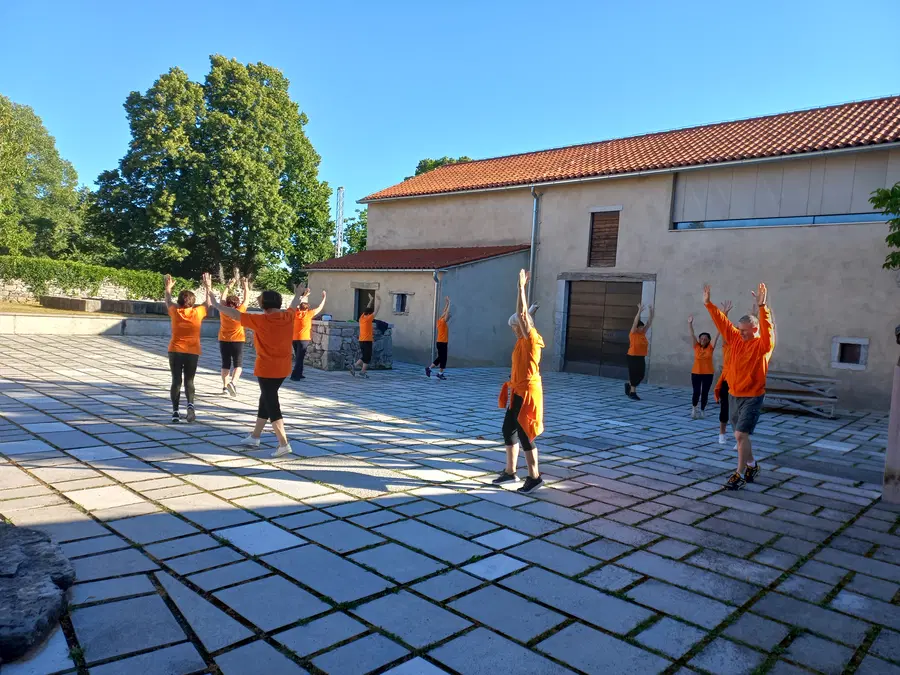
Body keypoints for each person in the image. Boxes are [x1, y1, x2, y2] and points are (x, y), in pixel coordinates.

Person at [206, 273, 306, 458]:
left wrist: (217, 304)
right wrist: (298, 294)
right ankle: (255, 436)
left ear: (264, 304)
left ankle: (283, 443)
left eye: (259, 300)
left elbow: (235, 314)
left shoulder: (260, 320)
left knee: (272, 403)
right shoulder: (287, 317)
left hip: (267, 369)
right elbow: (293, 306)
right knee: (265, 399)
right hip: (283, 368)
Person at [704, 283, 775, 490]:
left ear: (755, 329)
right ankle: (752, 465)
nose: (741, 333)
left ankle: (739, 474)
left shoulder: (762, 345)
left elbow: (768, 330)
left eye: (745, 331)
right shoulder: (734, 338)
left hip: (752, 396)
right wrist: (709, 304)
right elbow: (722, 322)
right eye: (739, 330)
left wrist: (762, 307)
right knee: (741, 436)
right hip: (734, 394)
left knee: (740, 435)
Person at [492, 270, 545, 494]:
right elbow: (523, 314)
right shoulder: (521, 341)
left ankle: (535, 477)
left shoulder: (532, 341)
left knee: (525, 435)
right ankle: (510, 471)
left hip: (528, 394)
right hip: (516, 392)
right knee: (508, 430)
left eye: (515, 327)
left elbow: (523, 315)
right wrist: (521, 295)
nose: (514, 330)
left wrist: (521, 288)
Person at [164, 274, 207, 424]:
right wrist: (208, 286)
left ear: (180, 302)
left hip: (175, 350)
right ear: (193, 303)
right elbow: (209, 303)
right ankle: (190, 405)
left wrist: (168, 288)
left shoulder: (175, 312)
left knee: (176, 380)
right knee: (189, 380)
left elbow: (168, 301)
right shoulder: (198, 312)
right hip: (192, 351)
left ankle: (175, 412)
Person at [217, 275, 250, 397]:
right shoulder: (240, 311)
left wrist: (228, 286)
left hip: (223, 340)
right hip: (238, 340)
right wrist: (245, 286)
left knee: (225, 364)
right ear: (237, 303)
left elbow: (221, 298)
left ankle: (225, 387)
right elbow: (247, 299)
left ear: (227, 303)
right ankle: (233, 383)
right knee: (238, 364)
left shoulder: (223, 310)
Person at [687, 314, 719, 419]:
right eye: (701, 338)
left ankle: (702, 410)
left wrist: (722, 319)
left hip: (708, 373)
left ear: (709, 340)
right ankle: (694, 409)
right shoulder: (696, 346)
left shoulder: (710, 347)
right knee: (696, 391)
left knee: (705, 392)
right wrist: (690, 324)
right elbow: (692, 335)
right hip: (696, 372)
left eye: (705, 338)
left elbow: (718, 334)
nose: (703, 339)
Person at [291, 288, 326, 381]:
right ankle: (294, 376)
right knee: (299, 358)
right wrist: (324, 298)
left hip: (294, 339)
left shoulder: (296, 313)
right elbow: (320, 307)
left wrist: (305, 296)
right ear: (307, 308)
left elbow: (297, 304)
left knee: (299, 357)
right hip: (303, 339)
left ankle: (300, 373)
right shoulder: (309, 314)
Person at [713, 300, 734, 444]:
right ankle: (722, 434)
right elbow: (723, 328)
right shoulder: (727, 346)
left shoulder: (745, 346)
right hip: (727, 380)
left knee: (738, 410)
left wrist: (755, 314)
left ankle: (739, 437)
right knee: (725, 407)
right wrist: (724, 314)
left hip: (739, 380)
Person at [626, 303, 654, 400]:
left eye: (642, 327)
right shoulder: (633, 333)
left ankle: (629, 384)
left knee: (641, 375)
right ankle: (632, 393)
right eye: (640, 327)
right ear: (637, 328)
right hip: (632, 356)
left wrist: (651, 311)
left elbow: (649, 322)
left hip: (641, 356)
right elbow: (635, 322)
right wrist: (639, 311)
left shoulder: (642, 333)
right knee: (633, 374)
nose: (642, 328)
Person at [350, 294, 379, 379]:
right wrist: (379, 302)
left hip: (361, 340)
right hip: (367, 341)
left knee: (365, 356)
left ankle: (356, 368)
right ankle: (361, 371)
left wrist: (371, 300)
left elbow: (367, 308)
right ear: (369, 314)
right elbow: (376, 311)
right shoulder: (368, 319)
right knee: (367, 357)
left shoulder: (361, 318)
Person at [426, 296, 451, 380]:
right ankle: (438, 373)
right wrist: (449, 303)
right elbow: (446, 313)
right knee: (443, 358)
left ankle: (430, 369)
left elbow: (444, 312)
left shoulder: (440, 320)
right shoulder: (443, 322)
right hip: (442, 343)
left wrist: (447, 303)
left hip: (440, 342)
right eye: (448, 317)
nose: (448, 318)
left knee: (441, 358)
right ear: (445, 318)